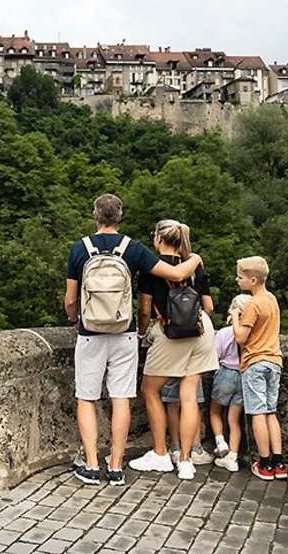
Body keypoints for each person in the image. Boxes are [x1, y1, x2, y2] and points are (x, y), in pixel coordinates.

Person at [64, 195, 203, 487]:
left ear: (95, 216)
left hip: (90, 333)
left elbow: (70, 300)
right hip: (124, 332)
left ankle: (90, 465)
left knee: (86, 397)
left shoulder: (79, 249)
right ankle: (116, 467)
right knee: (121, 397)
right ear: (120, 217)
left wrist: (76, 319)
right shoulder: (133, 248)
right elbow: (177, 273)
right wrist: (195, 259)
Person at [129, 219, 218, 481]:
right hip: (202, 329)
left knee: (150, 390)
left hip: (171, 332)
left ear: (159, 238)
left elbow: (145, 309)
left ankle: (160, 453)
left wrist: (143, 333)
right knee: (189, 395)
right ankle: (186, 461)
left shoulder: (151, 268)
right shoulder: (195, 266)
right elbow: (209, 306)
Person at [233, 256, 286, 481]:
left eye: (240, 277)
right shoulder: (271, 299)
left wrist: (235, 315)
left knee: (257, 413)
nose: (237, 280)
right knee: (270, 412)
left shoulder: (253, 304)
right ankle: (278, 462)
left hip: (255, 361)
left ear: (253, 280)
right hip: (274, 360)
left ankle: (264, 464)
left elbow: (240, 337)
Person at [211, 294, 251, 473]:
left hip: (225, 373)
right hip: (243, 376)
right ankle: (232, 458)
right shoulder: (251, 334)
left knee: (215, 411)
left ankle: (220, 442)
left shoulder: (224, 333)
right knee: (234, 420)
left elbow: (215, 355)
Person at [160, 377, 214, 467]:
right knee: (192, 401)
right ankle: (196, 450)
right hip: (192, 366)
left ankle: (175, 448)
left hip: (172, 366)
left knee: (173, 404)